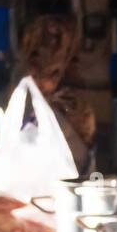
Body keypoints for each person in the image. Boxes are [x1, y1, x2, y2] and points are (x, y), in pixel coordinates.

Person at [18, 14, 96, 176]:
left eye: (52, 72)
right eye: (34, 68)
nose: (36, 79)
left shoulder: (71, 107)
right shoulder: (31, 101)